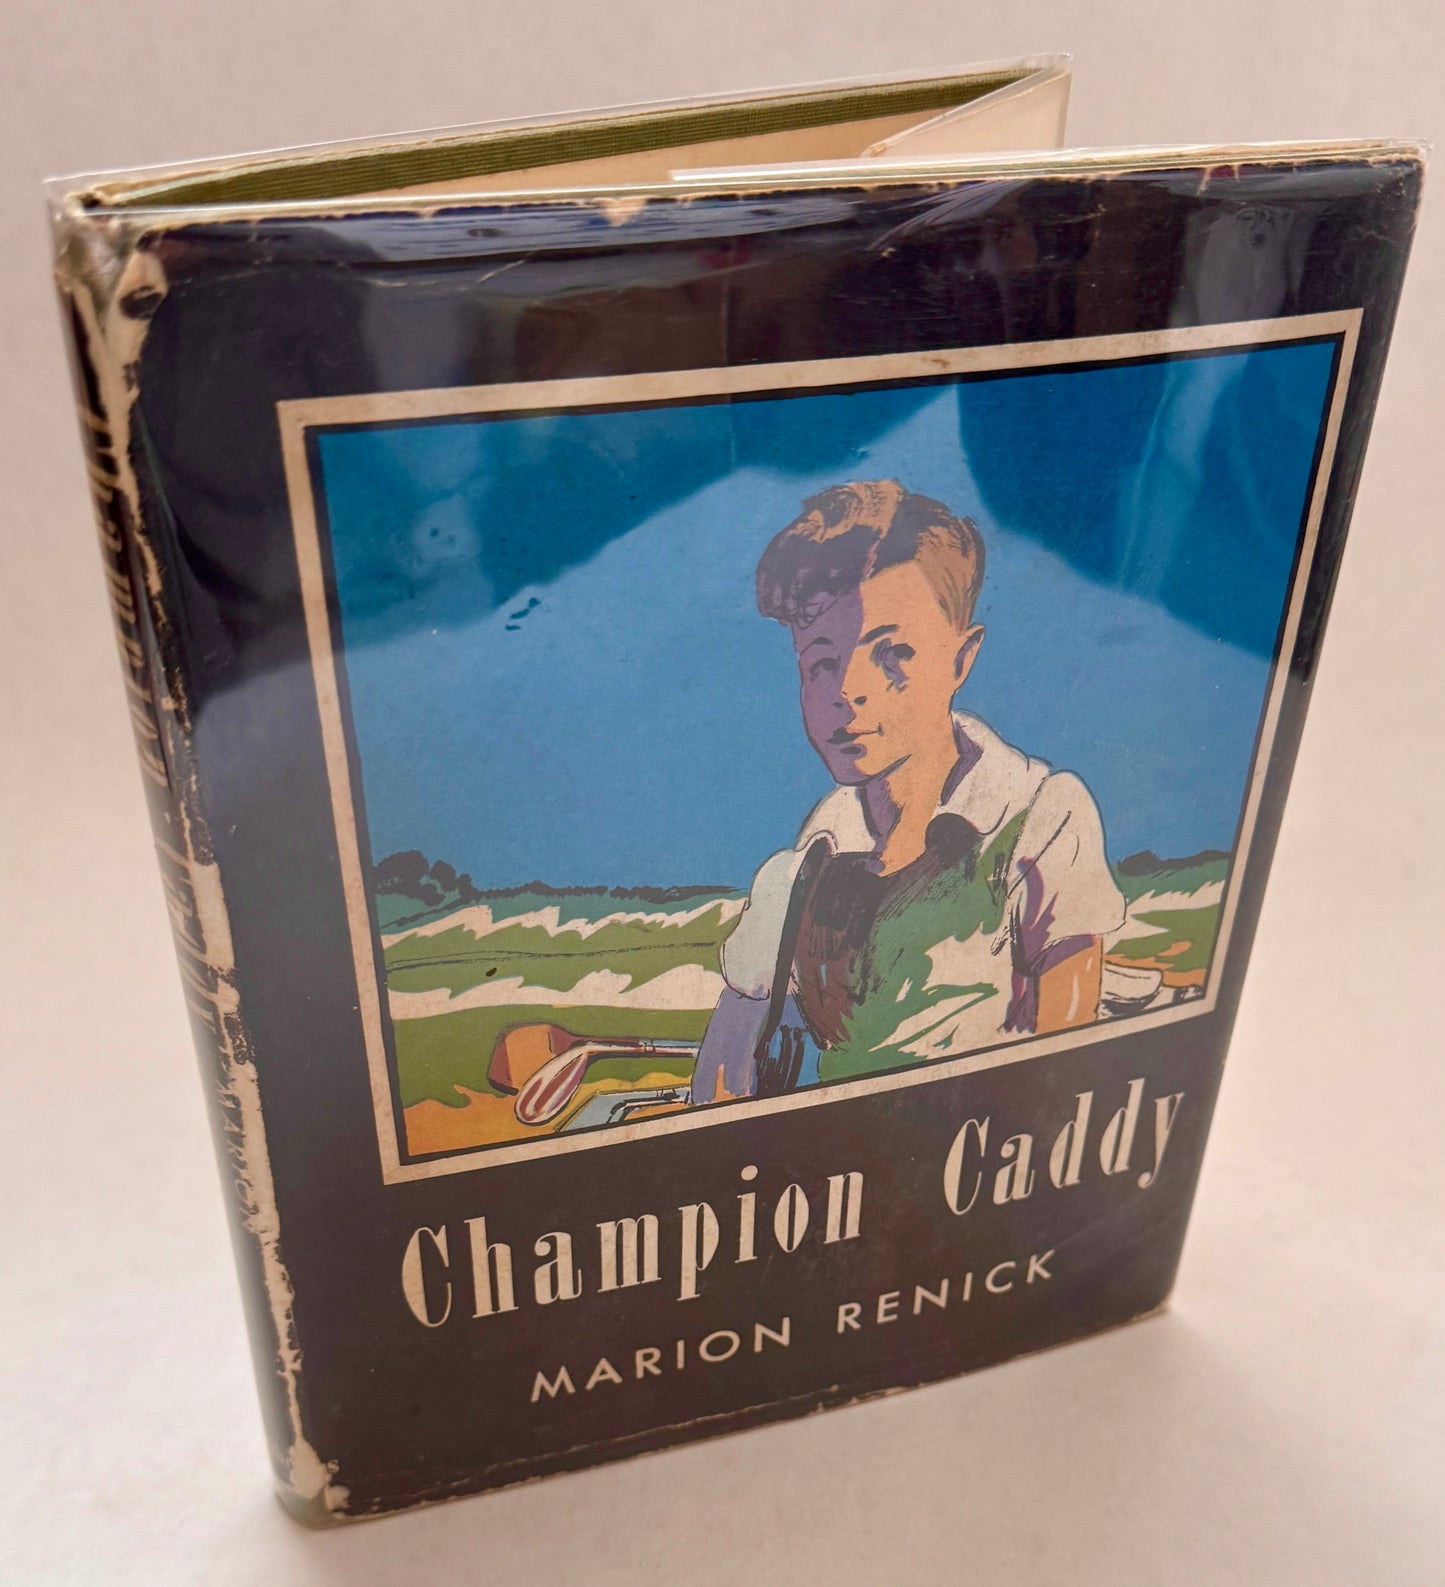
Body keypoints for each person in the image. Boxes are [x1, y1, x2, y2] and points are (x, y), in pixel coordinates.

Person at [691, 479, 1125, 1103]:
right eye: (822, 663)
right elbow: (722, 1082)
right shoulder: (808, 860)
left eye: (892, 653)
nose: (848, 692)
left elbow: (1064, 1069)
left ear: (960, 659)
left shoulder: (1039, 817)